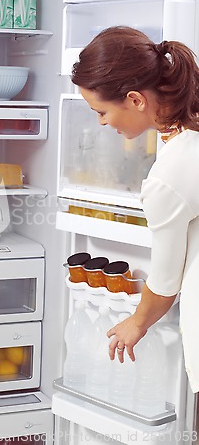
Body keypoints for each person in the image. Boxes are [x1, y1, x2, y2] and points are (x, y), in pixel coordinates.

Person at [71, 26, 199, 393]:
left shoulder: (168, 176)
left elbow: (164, 281)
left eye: (101, 111)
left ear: (135, 99)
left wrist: (136, 324)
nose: (101, 122)